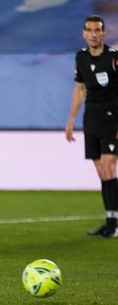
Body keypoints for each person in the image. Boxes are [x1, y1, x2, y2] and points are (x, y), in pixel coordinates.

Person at [66, 14, 118, 239]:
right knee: (101, 172)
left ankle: (114, 224)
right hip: (92, 119)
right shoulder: (81, 58)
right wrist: (71, 119)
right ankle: (110, 222)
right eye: (89, 30)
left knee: (108, 167)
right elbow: (80, 89)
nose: (94, 34)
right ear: (84, 33)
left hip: (112, 118)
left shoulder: (114, 58)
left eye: (98, 30)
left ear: (104, 33)